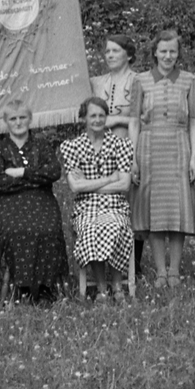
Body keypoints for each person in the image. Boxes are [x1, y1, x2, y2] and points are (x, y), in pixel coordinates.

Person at [129, 29, 195, 290]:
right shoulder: (140, 80)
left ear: (178, 53)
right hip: (149, 147)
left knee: (177, 209)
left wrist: (194, 156)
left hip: (178, 146)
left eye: (173, 51)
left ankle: (174, 270)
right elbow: (134, 121)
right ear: (155, 53)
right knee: (155, 211)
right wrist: (132, 158)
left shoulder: (189, 80)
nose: (168, 56)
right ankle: (160, 271)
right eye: (163, 51)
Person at [0, 100, 69, 304]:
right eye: (13, 118)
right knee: (17, 230)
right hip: (7, 203)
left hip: (41, 202)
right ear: (6, 121)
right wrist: (35, 179)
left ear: (30, 119)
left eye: (22, 117)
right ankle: (22, 288)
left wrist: (22, 172)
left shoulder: (42, 145)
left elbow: (54, 172)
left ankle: (45, 289)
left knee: (48, 229)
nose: (18, 122)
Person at [60, 97, 134, 302]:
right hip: (86, 207)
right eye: (93, 115)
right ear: (84, 118)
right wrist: (110, 178)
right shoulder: (72, 146)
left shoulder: (120, 144)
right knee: (91, 228)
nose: (98, 120)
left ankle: (117, 285)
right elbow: (75, 187)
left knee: (116, 226)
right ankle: (101, 287)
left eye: (102, 115)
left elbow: (124, 185)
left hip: (115, 205)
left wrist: (90, 184)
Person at [89, 34, 145, 267]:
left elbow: (142, 117)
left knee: (132, 204)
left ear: (128, 55)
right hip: (100, 151)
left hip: (128, 146)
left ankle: (134, 263)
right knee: (104, 201)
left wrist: (117, 120)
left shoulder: (139, 81)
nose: (110, 55)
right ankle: (105, 260)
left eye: (115, 51)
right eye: (107, 51)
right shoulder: (96, 82)